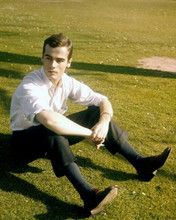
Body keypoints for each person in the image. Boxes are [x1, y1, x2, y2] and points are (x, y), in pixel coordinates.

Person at [9, 33, 171, 215]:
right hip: (24, 143)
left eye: (59, 60)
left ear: (69, 62)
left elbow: (102, 100)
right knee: (51, 128)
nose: (53, 65)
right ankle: (88, 194)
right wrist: (90, 134)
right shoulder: (30, 85)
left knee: (95, 112)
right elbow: (49, 120)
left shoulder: (67, 82)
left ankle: (142, 164)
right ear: (42, 58)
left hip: (51, 133)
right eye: (48, 58)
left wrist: (104, 121)